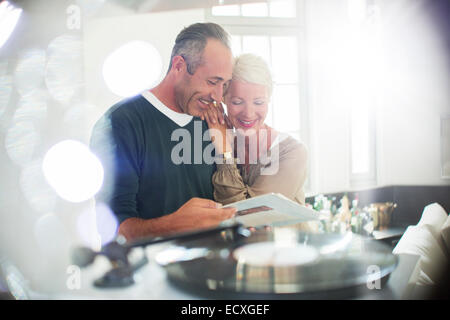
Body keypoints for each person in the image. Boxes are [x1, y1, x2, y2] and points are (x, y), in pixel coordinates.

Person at [90, 23, 237, 242]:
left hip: (209, 270)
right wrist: (175, 225)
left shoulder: (212, 121)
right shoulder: (120, 123)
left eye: (224, 85)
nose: (218, 96)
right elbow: (113, 230)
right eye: (212, 82)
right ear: (179, 65)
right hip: (149, 274)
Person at [203, 53, 308, 206]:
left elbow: (251, 214)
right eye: (238, 102)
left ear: (269, 100)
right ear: (223, 99)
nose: (248, 113)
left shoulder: (293, 152)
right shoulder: (218, 140)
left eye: (258, 102)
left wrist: (224, 153)